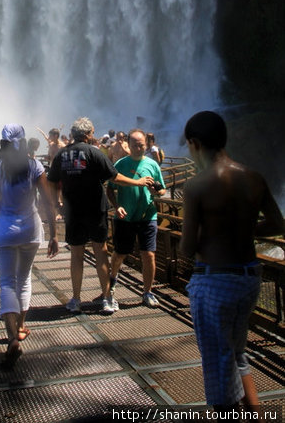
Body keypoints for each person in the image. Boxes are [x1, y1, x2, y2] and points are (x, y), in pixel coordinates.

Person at [180, 111, 284, 413]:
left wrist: (212, 233)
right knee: (237, 355)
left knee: (217, 365)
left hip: (214, 281)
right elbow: (278, 225)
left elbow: (186, 248)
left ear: (195, 143)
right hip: (249, 278)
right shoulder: (254, 178)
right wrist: (244, 227)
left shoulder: (196, 186)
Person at [48, 117, 157, 315]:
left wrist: (57, 202)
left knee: (76, 254)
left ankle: (75, 300)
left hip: (73, 211)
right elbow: (114, 177)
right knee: (101, 252)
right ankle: (107, 299)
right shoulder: (93, 152)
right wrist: (139, 182)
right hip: (95, 210)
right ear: (89, 134)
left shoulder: (62, 155)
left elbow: (52, 181)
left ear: (73, 135)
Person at [0, 124, 58, 367]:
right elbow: (48, 202)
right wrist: (54, 234)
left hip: (4, 232)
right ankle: (23, 325)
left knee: (7, 282)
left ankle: (12, 337)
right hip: (30, 231)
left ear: (2, 144)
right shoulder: (34, 166)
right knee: (23, 279)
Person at [107, 129, 166, 307]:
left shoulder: (152, 165)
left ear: (146, 145)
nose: (138, 148)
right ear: (128, 145)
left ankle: (147, 292)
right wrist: (117, 206)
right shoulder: (120, 164)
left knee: (148, 254)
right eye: (135, 145)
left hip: (148, 215)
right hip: (125, 218)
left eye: (141, 145)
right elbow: (110, 188)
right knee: (119, 254)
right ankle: (112, 280)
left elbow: (162, 189)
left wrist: (157, 191)